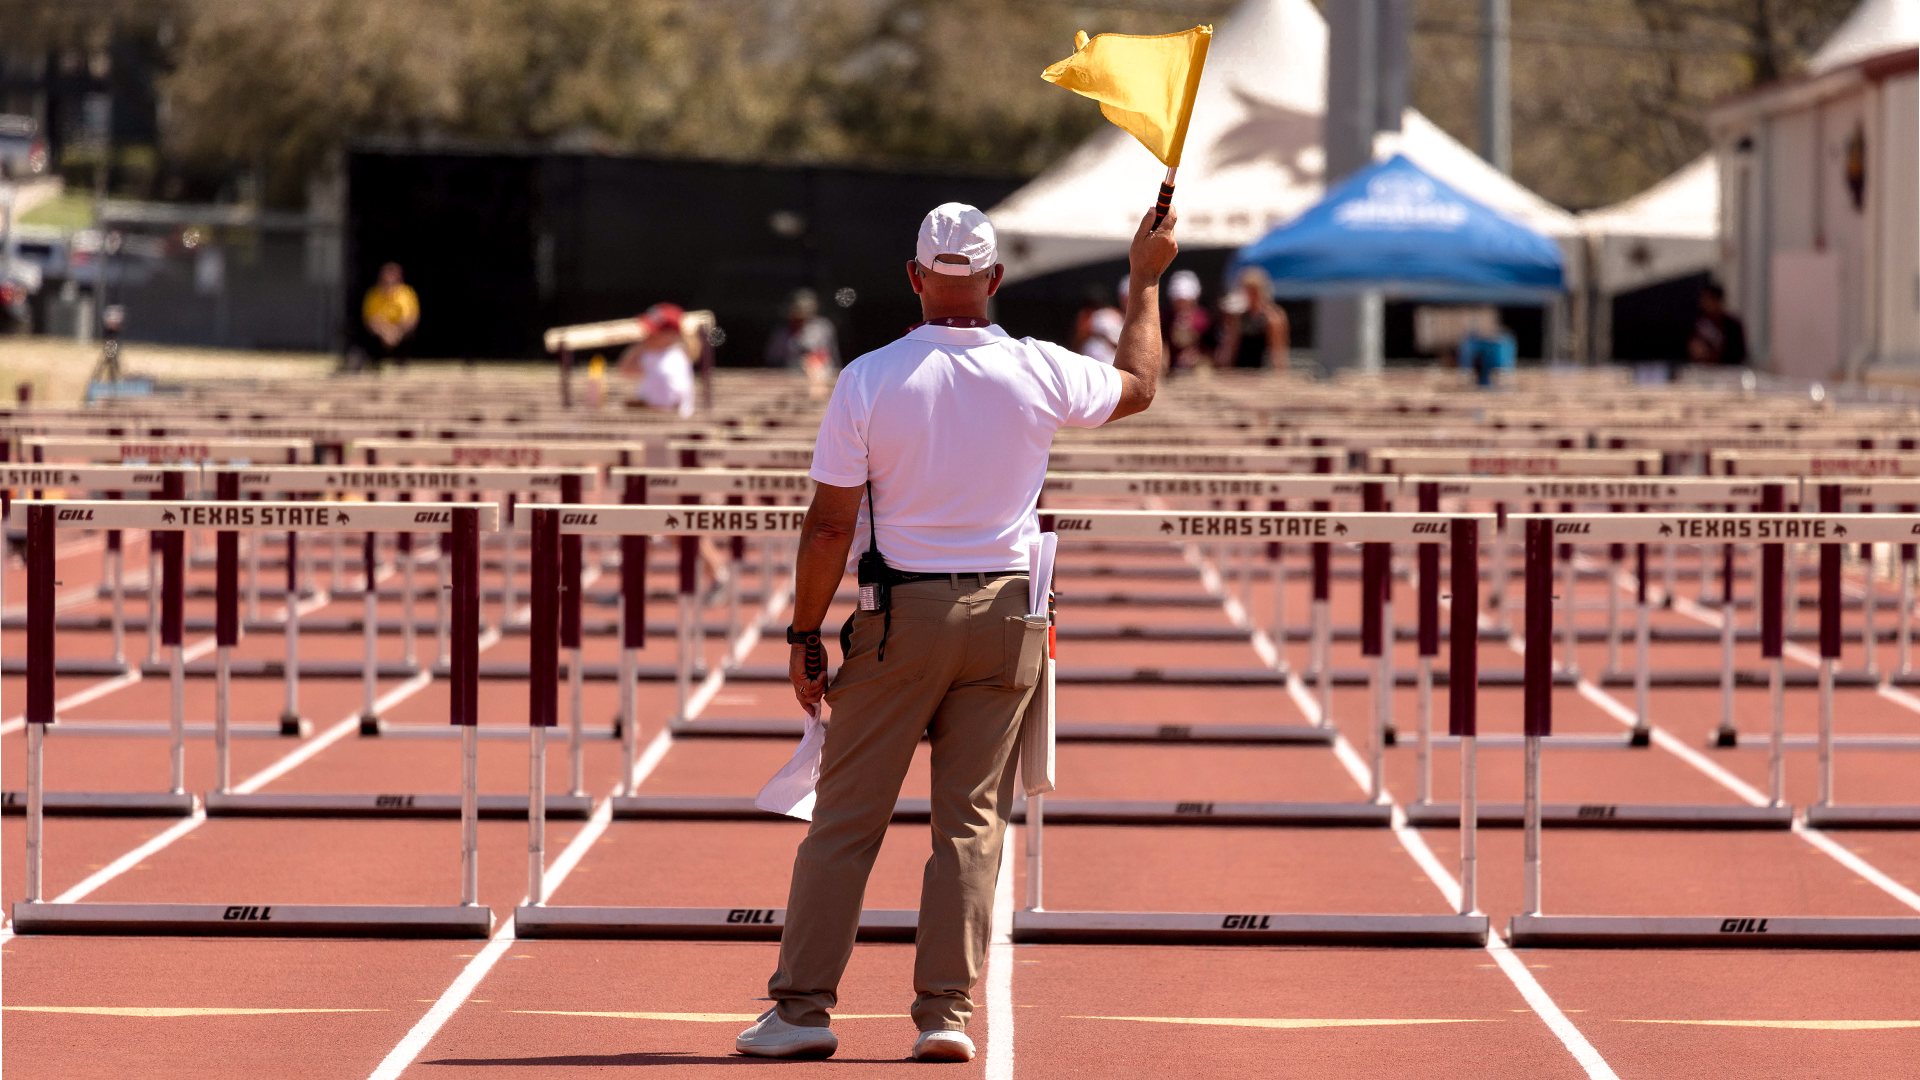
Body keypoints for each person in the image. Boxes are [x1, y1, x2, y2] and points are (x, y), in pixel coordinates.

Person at [735, 200, 1178, 1062]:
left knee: (846, 822)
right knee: (970, 824)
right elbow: (1141, 383)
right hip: (1010, 615)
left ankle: (801, 1012)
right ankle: (945, 1012)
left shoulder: (867, 377)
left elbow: (828, 527)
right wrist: (1143, 282)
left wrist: (803, 635)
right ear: (995, 279)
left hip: (900, 619)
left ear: (913, 276)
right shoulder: (1039, 369)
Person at [618, 302, 695, 417]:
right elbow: (625, 371)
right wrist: (642, 345)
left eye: (654, 331)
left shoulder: (672, 361)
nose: (648, 334)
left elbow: (665, 406)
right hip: (659, 417)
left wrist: (641, 406)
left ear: (671, 335)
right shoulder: (655, 354)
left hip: (669, 422)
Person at [765, 288, 842, 398]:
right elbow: (773, 360)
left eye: (803, 314)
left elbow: (827, 356)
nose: (799, 318)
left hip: (821, 375)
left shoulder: (822, 327)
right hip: (788, 376)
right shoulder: (781, 333)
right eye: (795, 314)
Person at [1215, 266, 1289, 371]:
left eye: (1251, 291)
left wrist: (1280, 376)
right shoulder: (1239, 316)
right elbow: (1231, 347)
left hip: (1261, 373)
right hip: (1240, 373)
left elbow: (1277, 353)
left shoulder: (1272, 318)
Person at [360, 262, 419, 369]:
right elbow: (370, 320)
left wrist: (397, 332)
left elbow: (411, 318)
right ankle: (375, 363)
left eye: (393, 275)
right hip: (381, 333)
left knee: (410, 336)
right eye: (386, 275)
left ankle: (402, 364)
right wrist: (386, 333)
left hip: (400, 332)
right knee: (369, 336)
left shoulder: (407, 293)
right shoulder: (373, 293)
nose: (389, 279)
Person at [1687, 283, 1747, 367]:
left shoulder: (1732, 325)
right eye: (1705, 300)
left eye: (1710, 300)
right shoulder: (1698, 324)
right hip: (1702, 371)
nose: (1706, 304)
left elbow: (1739, 354)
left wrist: (1714, 355)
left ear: (1719, 301)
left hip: (1726, 372)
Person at [1163, 268, 1211, 372]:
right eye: (1177, 300)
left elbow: (1210, 349)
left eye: (1184, 300)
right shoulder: (1165, 319)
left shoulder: (1203, 319)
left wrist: (1198, 356)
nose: (1181, 304)